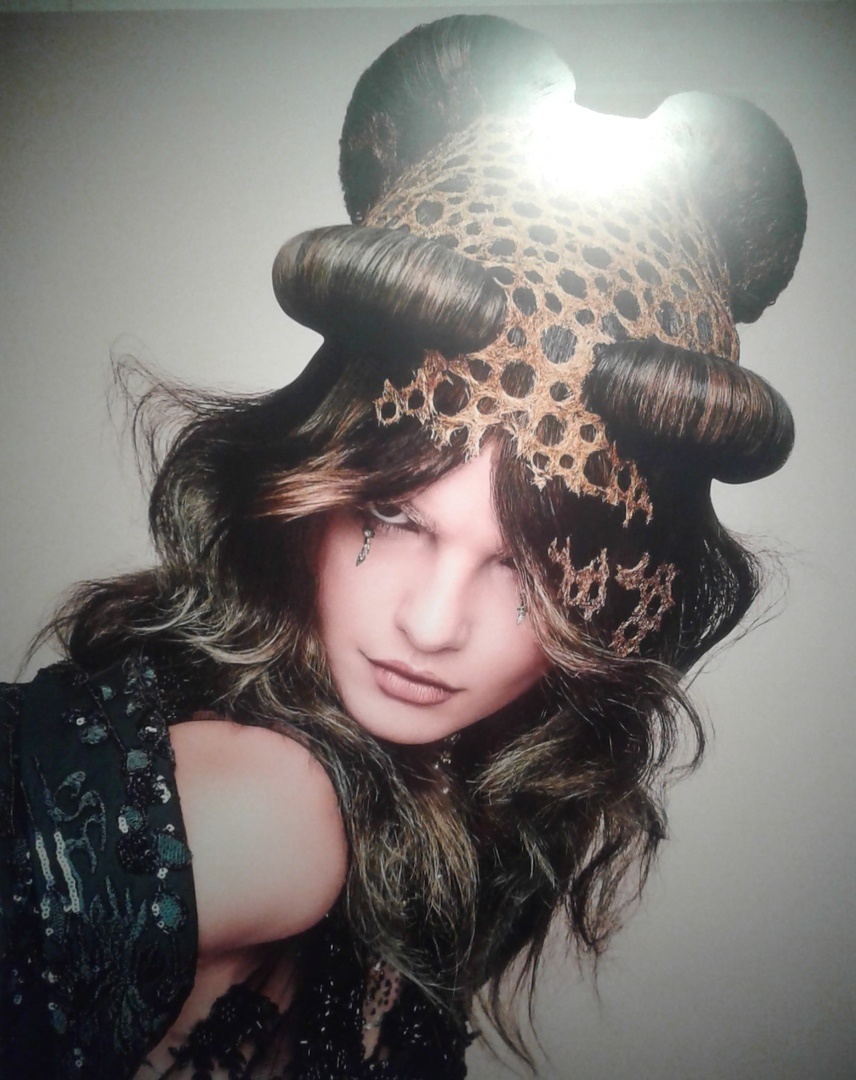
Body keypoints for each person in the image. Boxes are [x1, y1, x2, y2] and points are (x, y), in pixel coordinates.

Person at [0, 14, 806, 1080]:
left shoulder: (415, 822)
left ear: (621, 602)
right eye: (393, 520)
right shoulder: (263, 812)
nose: (431, 624)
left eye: (523, 570)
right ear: (305, 497)